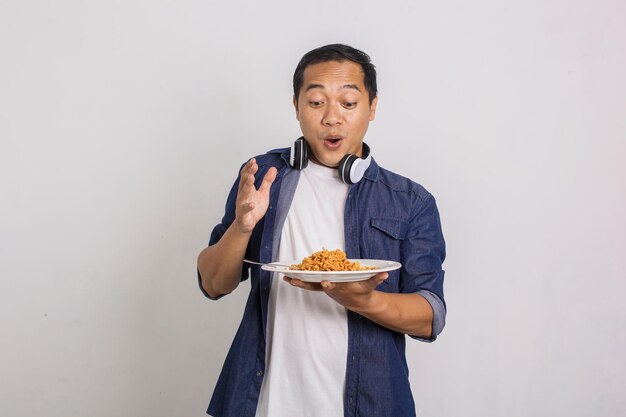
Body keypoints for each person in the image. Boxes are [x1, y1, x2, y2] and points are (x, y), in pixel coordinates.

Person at [197, 44, 446, 417]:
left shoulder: (411, 201)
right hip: (262, 402)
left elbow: (430, 316)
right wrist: (242, 225)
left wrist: (362, 301)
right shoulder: (263, 177)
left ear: (372, 107)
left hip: (373, 404)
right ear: (296, 105)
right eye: (316, 103)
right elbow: (214, 283)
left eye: (348, 103)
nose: (332, 118)